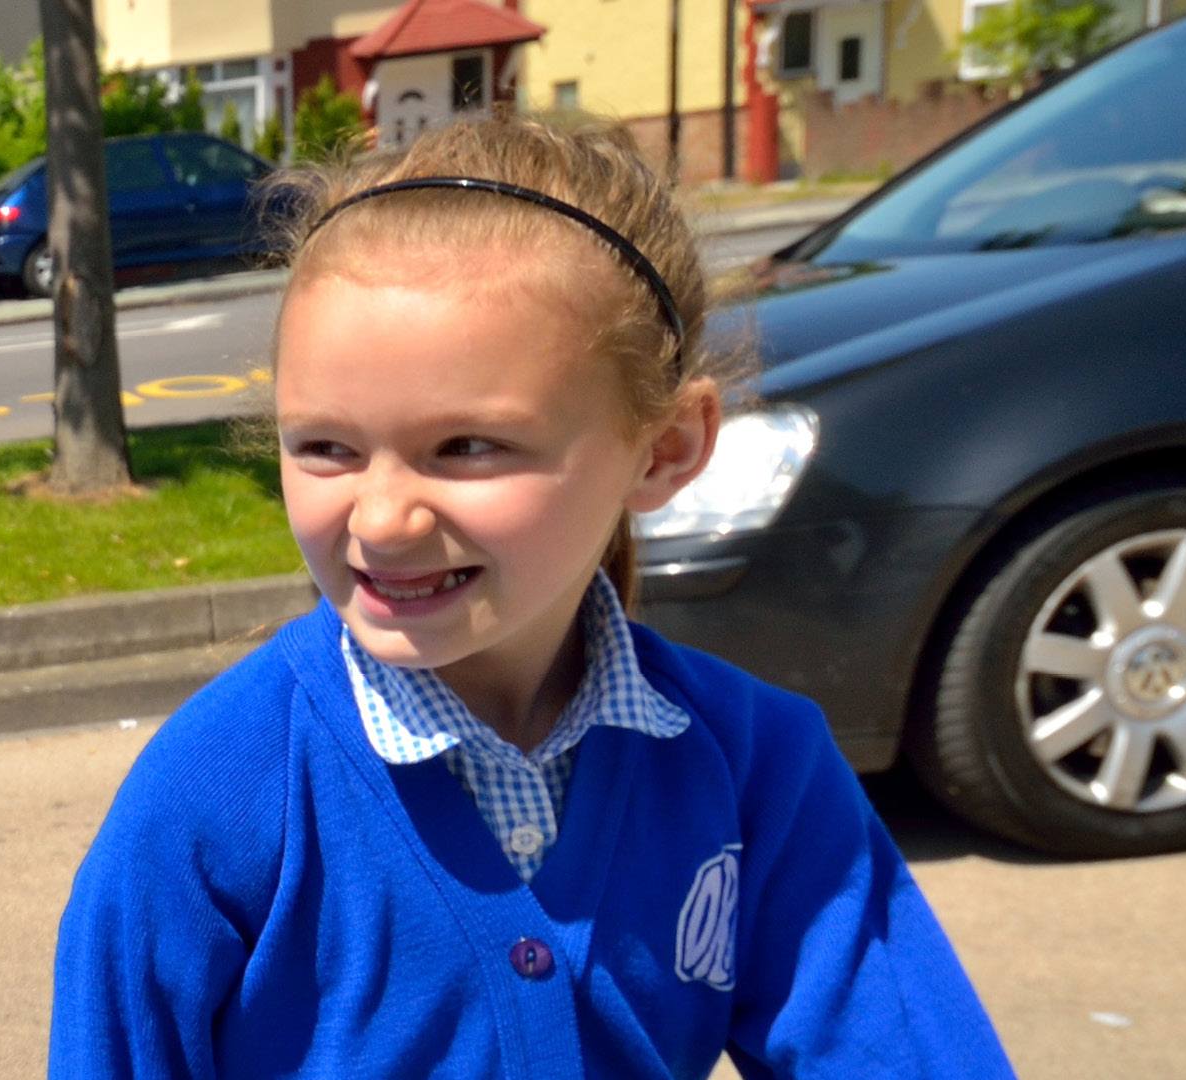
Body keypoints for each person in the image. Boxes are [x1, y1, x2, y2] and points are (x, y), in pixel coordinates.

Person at [52, 115, 1015, 1077]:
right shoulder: (209, 803)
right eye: (326, 447)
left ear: (667, 448)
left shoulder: (759, 770)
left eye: (469, 447)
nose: (382, 519)